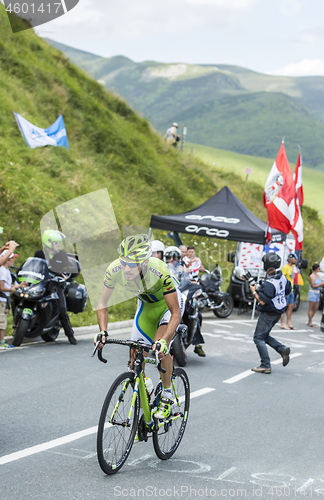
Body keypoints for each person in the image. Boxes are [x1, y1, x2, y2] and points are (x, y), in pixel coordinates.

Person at [96, 234, 182, 419]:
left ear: (143, 263)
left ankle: (167, 395)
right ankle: (143, 413)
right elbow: (102, 303)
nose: (126, 268)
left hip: (167, 308)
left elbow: (176, 313)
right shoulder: (114, 270)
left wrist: (165, 340)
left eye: (132, 264)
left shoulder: (159, 270)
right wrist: (102, 331)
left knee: (160, 347)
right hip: (146, 308)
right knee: (134, 355)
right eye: (123, 262)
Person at [249, 252, 292, 374]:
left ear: (266, 265)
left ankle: (265, 364)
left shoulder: (269, 283)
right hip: (278, 312)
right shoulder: (282, 277)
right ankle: (282, 349)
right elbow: (288, 290)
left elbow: (262, 301)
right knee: (263, 335)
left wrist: (253, 291)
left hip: (269, 313)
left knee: (258, 338)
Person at [34, 230, 77, 345]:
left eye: (58, 242)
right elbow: (35, 267)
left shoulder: (61, 254)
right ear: (48, 243)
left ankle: (70, 335)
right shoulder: (39, 254)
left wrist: (65, 274)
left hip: (57, 285)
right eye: (56, 242)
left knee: (62, 309)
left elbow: (67, 270)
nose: (58, 245)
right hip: (42, 284)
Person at [164, 245, 206, 357]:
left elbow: (187, 275)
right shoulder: (162, 267)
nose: (172, 260)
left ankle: (197, 344)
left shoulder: (182, 265)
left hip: (183, 293)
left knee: (195, 312)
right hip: (167, 295)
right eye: (170, 257)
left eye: (175, 257)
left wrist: (192, 281)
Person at [0, 251, 28, 349]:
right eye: (12, 258)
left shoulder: (6, 271)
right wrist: (10, 290)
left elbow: (8, 285)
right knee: (1, 322)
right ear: (6, 259)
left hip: (4, 299)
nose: (13, 261)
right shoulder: (3, 271)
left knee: (3, 321)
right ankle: (1, 342)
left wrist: (19, 286)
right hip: (1, 300)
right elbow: (1, 287)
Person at [280, 252, 298, 330]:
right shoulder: (285, 267)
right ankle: (282, 323)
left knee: (291, 306)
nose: (295, 260)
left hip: (292, 290)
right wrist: (285, 290)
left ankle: (289, 322)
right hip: (285, 290)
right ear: (290, 258)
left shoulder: (293, 267)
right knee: (284, 306)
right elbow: (282, 279)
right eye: (294, 258)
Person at [307, 263, 324, 327]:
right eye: (318, 268)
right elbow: (313, 286)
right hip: (312, 292)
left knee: (316, 307)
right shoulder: (311, 276)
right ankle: (310, 321)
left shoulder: (318, 276)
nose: (319, 269)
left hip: (317, 292)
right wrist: (320, 284)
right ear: (316, 269)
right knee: (311, 308)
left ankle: (310, 319)